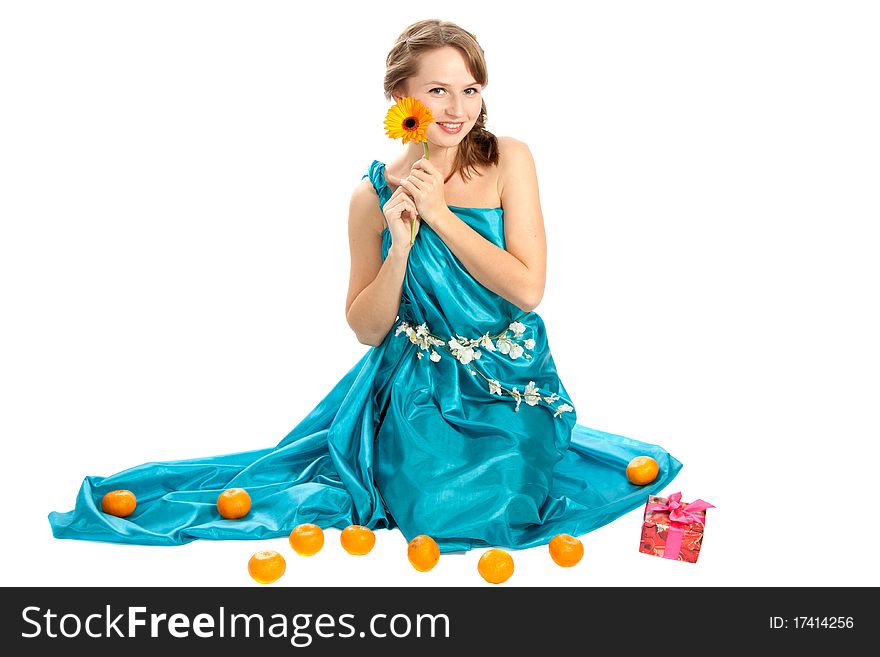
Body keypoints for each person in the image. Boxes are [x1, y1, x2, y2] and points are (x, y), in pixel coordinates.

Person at [49, 19, 681, 552]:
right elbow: (366, 328)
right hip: (414, 389)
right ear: (400, 99)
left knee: (500, 511)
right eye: (438, 90)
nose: (458, 109)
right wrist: (400, 244)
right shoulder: (368, 195)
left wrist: (438, 215)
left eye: (470, 89)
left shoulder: (507, 158)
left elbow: (528, 288)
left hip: (510, 379)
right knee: (430, 516)